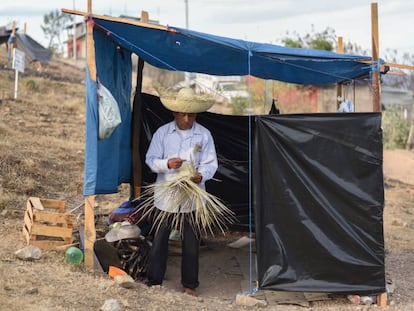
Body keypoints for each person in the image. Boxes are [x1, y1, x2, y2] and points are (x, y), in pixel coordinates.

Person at [145, 87, 218, 296]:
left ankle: (190, 285)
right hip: (166, 196)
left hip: (193, 197)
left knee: (191, 242)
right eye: (183, 114)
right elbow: (150, 161)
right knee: (160, 239)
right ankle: (154, 281)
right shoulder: (163, 133)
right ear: (174, 113)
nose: (187, 119)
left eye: (191, 115)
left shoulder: (204, 134)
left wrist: (201, 176)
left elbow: (211, 164)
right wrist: (167, 164)